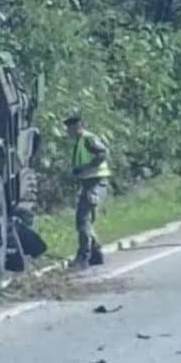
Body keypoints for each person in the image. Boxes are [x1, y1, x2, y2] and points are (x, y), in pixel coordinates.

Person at [64, 112, 111, 270]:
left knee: (83, 220)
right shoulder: (80, 141)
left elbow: (102, 154)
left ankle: (83, 257)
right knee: (85, 220)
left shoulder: (88, 139)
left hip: (96, 183)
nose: (67, 132)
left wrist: (84, 168)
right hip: (88, 182)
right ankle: (96, 254)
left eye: (69, 128)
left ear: (77, 127)